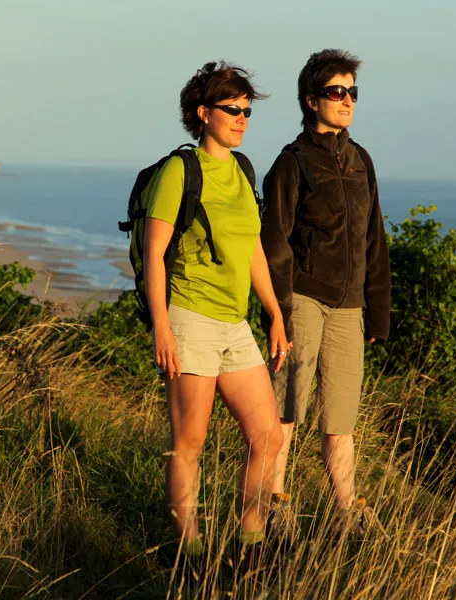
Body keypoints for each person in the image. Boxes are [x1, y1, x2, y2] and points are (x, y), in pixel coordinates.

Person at [144, 61, 289, 559]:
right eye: (232, 109)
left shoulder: (243, 171)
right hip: (190, 318)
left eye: (247, 110)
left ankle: (249, 541)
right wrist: (161, 326)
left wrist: (273, 313)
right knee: (190, 442)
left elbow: (252, 250)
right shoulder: (178, 172)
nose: (242, 118)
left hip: (235, 323)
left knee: (268, 437)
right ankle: (189, 554)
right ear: (203, 113)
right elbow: (154, 253)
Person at [260, 49, 391, 533]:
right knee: (287, 407)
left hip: (350, 305)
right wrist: (278, 310)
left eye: (352, 92)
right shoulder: (293, 162)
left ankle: (347, 512)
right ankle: (275, 505)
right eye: (337, 92)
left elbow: (374, 237)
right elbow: (273, 241)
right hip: (303, 299)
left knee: (341, 418)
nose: (348, 100)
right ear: (311, 100)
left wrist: (378, 311)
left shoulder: (361, 160)